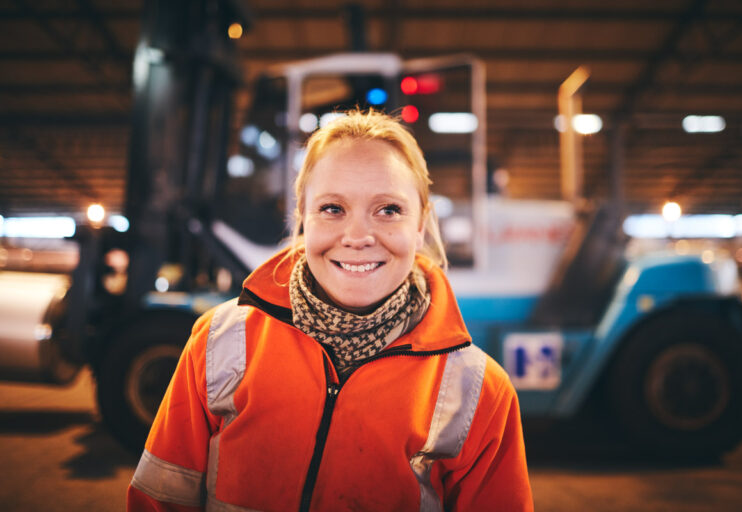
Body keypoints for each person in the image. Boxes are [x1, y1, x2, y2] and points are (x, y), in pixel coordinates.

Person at [127, 109, 534, 511]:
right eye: (332, 209)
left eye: (389, 210)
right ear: (303, 218)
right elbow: (160, 500)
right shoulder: (218, 343)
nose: (357, 236)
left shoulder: (479, 391)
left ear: (420, 226)